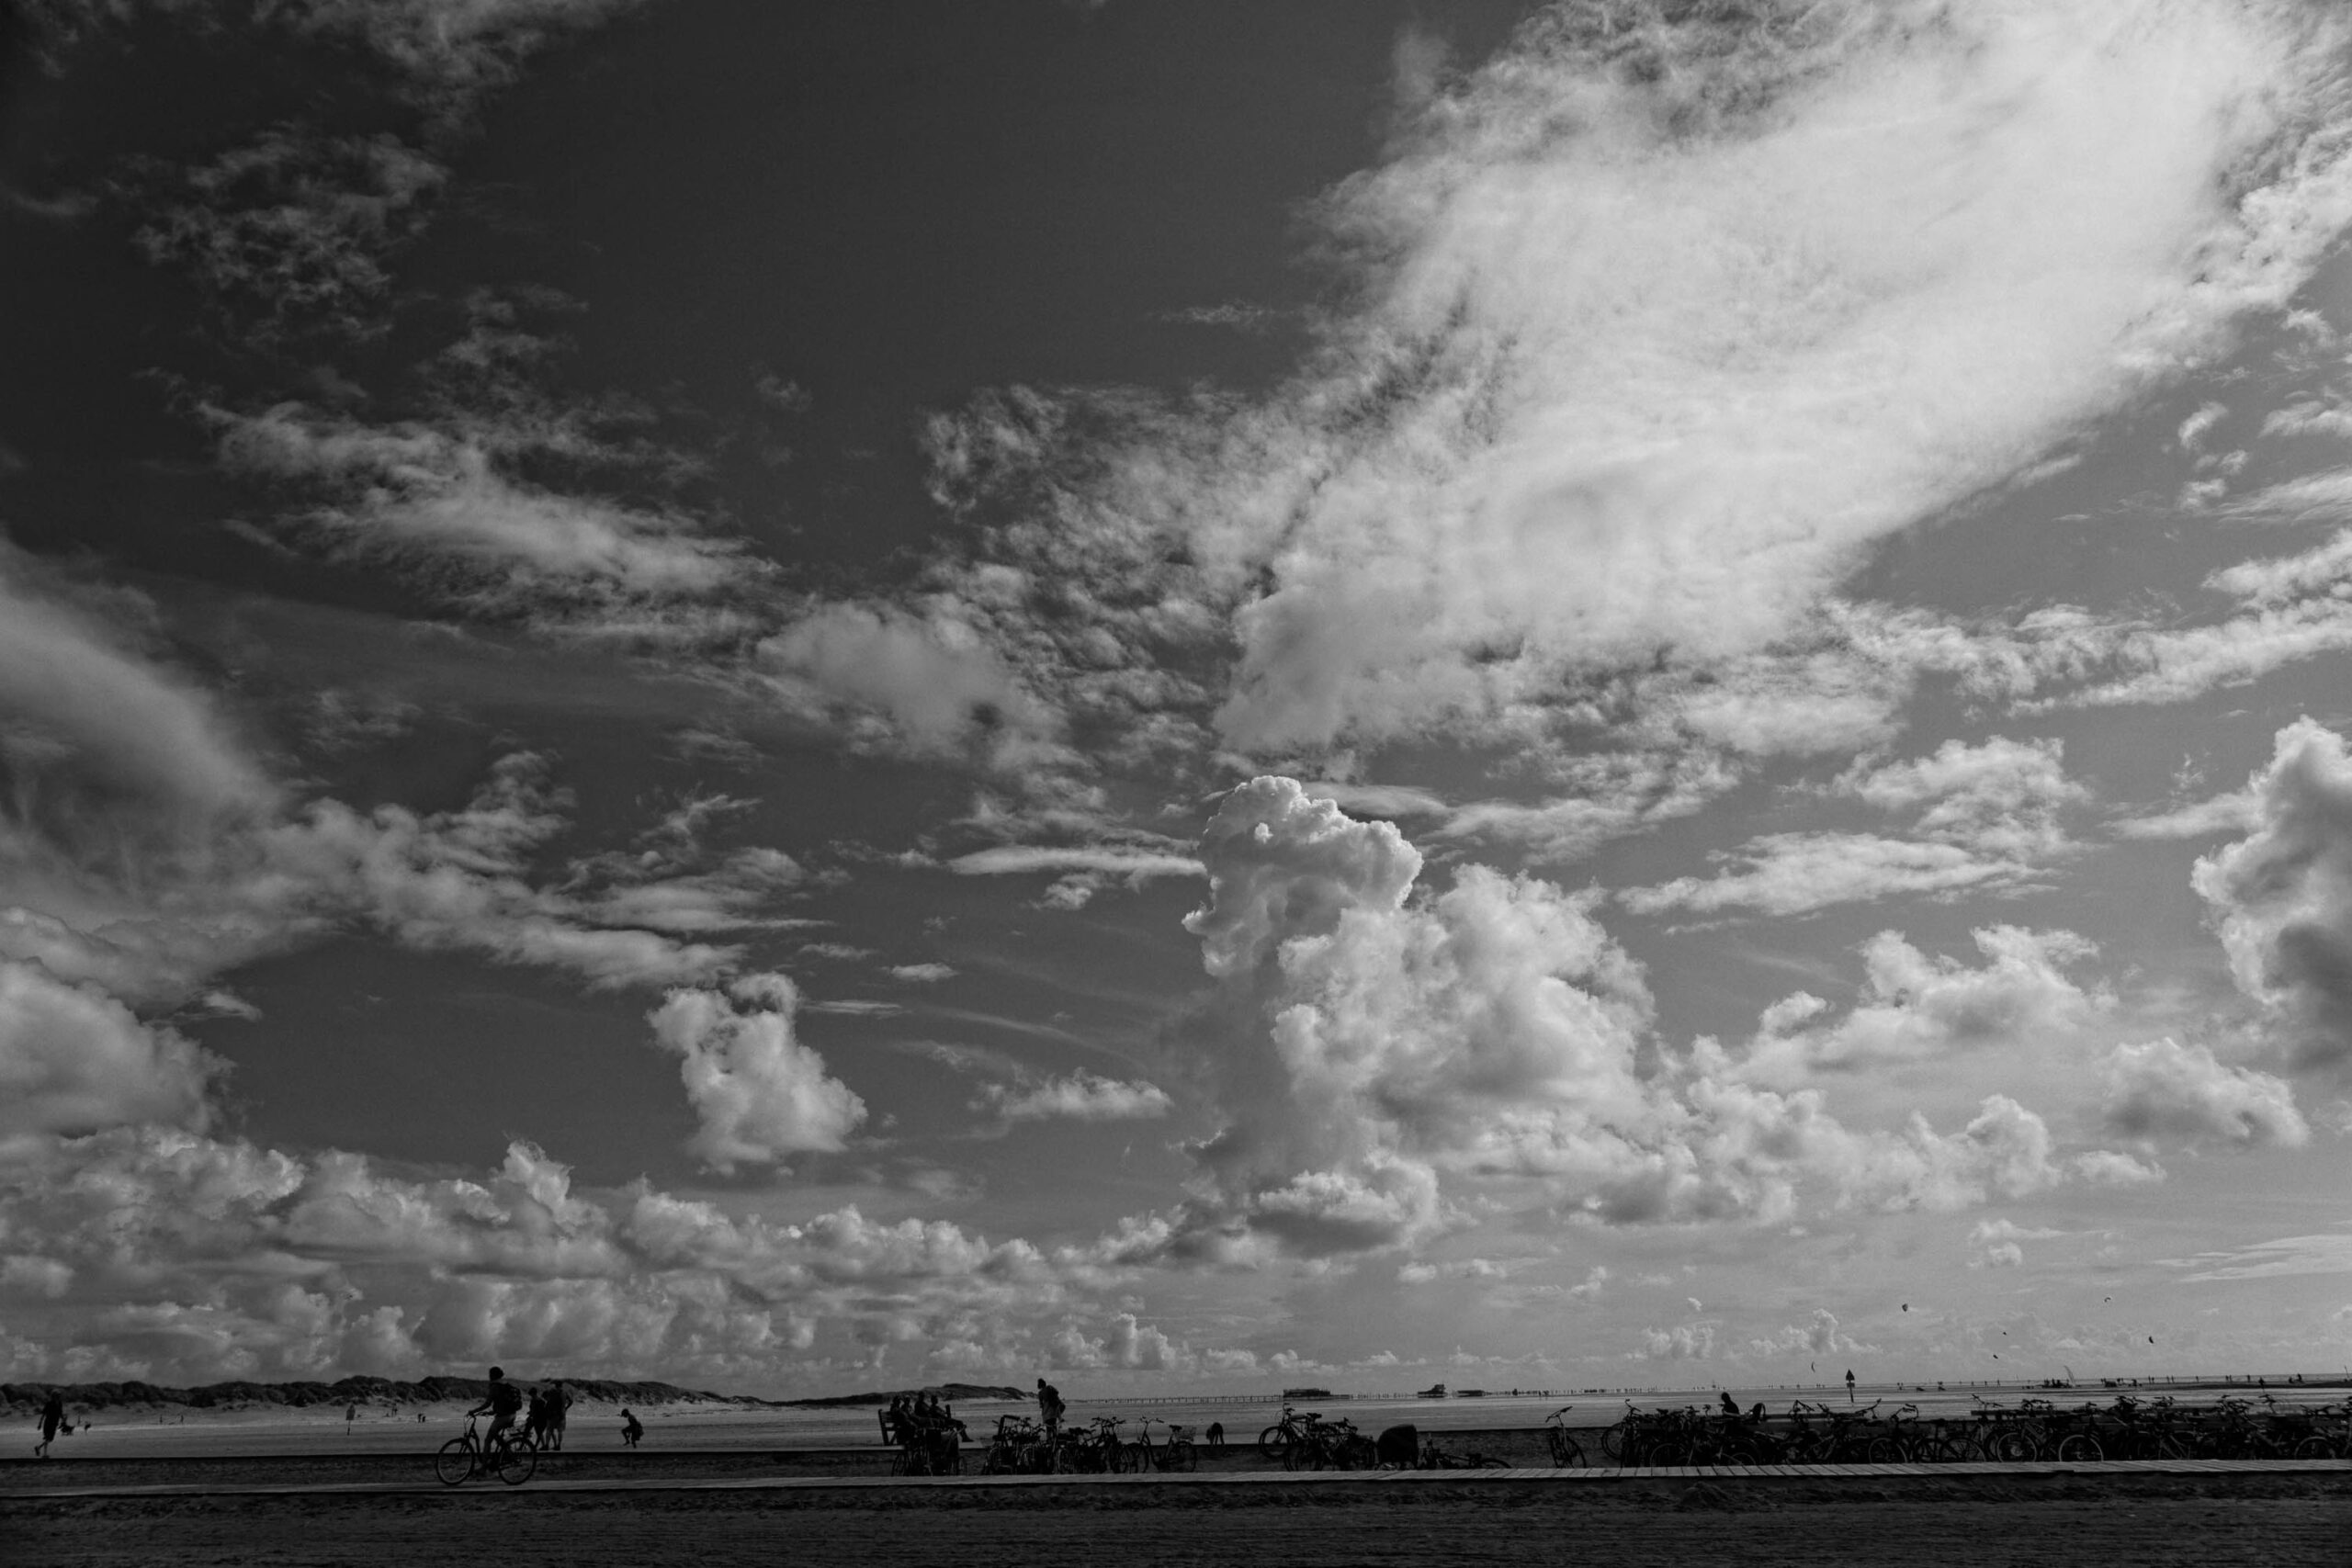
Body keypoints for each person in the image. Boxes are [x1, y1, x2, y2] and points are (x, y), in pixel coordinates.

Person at [469, 1367, 524, 1452]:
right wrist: (492, 1412)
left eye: (490, 1374)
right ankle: (506, 1451)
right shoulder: (505, 1385)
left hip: (503, 1417)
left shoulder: (494, 1387)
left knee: (488, 1440)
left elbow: (487, 1404)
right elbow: (503, 1402)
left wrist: (473, 1411)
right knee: (495, 1435)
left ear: (493, 1375)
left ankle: (484, 1465)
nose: (489, 1376)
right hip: (512, 1414)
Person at [36, 1390, 67, 1458]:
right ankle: (44, 1454)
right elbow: (43, 1414)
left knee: (50, 1439)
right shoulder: (49, 1403)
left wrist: (63, 1420)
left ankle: (39, 1447)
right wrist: (40, 1424)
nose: (59, 1397)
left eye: (59, 1395)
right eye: (58, 1395)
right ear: (54, 1396)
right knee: (47, 1438)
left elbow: (60, 1413)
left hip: (55, 1423)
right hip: (48, 1422)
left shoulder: (60, 1403)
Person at [543, 1380, 571, 1452]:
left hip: (552, 1414)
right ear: (561, 1386)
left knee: (549, 1430)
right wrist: (566, 1408)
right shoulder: (565, 1392)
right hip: (561, 1414)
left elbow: (547, 1400)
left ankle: (546, 1445)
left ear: (555, 1385)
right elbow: (571, 1401)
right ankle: (558, 1445)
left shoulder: (552, 1392)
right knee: (560, 1431)